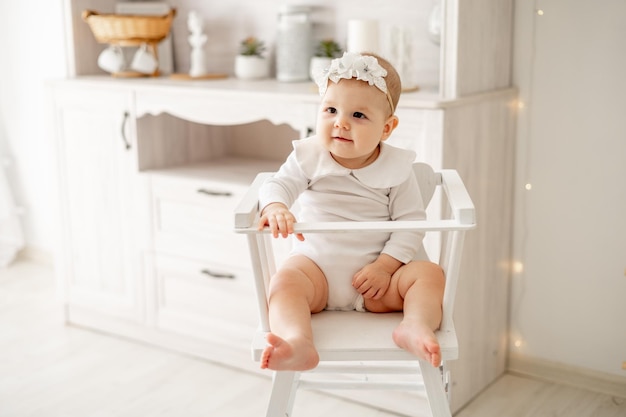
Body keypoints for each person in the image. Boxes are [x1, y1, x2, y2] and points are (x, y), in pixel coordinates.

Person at [257, 52, 445, 371]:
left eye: (358, 115)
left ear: (387, 128)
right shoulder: (308, 156)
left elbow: (410, 224)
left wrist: (385, 267)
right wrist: (276, 206)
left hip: (376, 283)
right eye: (331, 110)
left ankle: (414, 325)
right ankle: (298, 340)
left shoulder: (397, 169)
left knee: (430, 275)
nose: (340, 122)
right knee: (283, 283)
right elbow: (277, 185)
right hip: (315, 273)